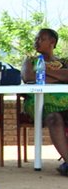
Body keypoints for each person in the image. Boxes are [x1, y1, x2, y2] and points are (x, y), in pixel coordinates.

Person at [21, 28, 68, 176]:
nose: (36, 41)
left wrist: (42, 72)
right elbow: (28, 77)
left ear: (52, 42)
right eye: (36, 39)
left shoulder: (64, 61)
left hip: (65, 102)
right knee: (53, 118)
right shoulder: (30, 60)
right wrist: (58, 76)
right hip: (38, 102)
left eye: (41, 39)